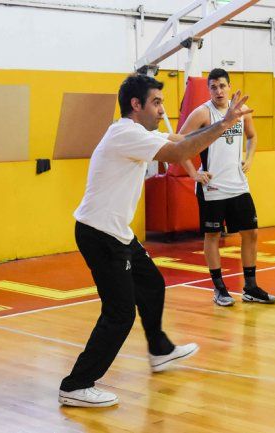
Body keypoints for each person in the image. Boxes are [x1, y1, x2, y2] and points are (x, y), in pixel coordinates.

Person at [58, 74, 252, 407]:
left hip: (117, 232)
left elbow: (182, 138)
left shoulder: (138, 134)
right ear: (136, 105)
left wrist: (221, 124)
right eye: (156, 102)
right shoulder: (125, 134)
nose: (162, 109)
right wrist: (223, 125)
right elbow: (179, 152)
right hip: (100, 234)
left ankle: (159, 350)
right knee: (120, 314)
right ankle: (76, 385)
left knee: (151, 283)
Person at [179, 68, 275, 307]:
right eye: (213, 87)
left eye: (222, 86)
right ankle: (219, 288)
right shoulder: (203, 113)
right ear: (208, 89)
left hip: (238, 185)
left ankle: (251, 287)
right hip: (212, 187)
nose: (219, 91)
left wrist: (249, 158)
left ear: (229, 86)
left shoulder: (242, 111)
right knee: (213, 235)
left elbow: (252, 137)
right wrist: (193, 173)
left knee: (251, 233)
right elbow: (179, 143)